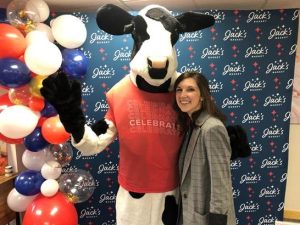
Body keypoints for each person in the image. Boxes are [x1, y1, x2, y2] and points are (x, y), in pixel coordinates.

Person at [173, 71, 236, 225]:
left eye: (190, 89)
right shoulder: (192, 126)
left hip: (207, 219)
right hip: (188, 215)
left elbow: (220, 183)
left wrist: (217, 221)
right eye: (179, 89)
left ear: (202, 95)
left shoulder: (212, 128)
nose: (183, 94)